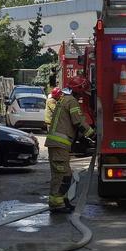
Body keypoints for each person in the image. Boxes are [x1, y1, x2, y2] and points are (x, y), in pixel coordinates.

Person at [44, 76, 95, 213]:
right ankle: (57, 203)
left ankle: (62, 200)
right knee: (64, 175)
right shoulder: (71, 101)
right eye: (83, 90)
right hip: (59, 144)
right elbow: (78, 122)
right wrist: (92, 134)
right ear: (79, 90)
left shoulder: (64, 99)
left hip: (57, 144)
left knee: (60, 174)